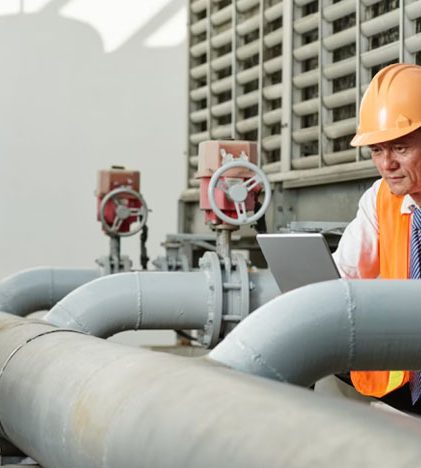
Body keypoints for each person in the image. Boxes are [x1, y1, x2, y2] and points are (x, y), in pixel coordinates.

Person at [333, 62, 421, 413]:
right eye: (376, 150)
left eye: (400, 148)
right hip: (406, 373)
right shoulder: (381, 197)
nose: (387, 164)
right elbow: (344, 274)